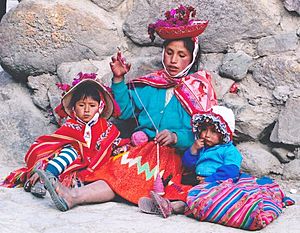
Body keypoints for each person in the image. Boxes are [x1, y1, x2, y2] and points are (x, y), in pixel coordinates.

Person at [35, 4, 218, 211]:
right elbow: (126, 109)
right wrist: (119, 79)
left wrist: (176, 137)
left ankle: (75, 196)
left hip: (172, 157)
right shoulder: (152, 86)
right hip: (140, 147)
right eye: (169, 53)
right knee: (114, 168)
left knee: (127, 172)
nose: (173, 60)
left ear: (192, 58)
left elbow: (205, 135)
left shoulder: (199, 90)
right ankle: (72, 195)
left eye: (181, 55)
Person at [1, 73, 127, 199]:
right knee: (70, 152)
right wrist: (77, 150)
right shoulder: (71, 125)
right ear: (74, 108)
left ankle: (62, 187)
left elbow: (113, 142)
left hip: (94, 164)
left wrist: (119, 147)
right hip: (72, 161)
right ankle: (44, 178)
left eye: (92, 105)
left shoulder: (106, 127)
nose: (87, 110)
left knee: (107, 169)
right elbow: (56, 141)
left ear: (100, 107)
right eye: (81, 105)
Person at [138, 105, 242, 218]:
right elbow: (187, 164)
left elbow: (231, 172)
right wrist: (193, 149)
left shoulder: (230, 151)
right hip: (196, 179)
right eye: (204, 129)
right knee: (177, 186)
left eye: (213, 131)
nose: (206, 135)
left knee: (193, 197)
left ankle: (171, 207)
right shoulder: (202, 146)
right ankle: (163, 201)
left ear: (224, 134)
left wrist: (209, 180)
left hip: (216, 183)